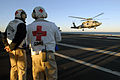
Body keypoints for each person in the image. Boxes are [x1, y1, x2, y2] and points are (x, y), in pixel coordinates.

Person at [26, 6, 61, 80]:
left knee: (37, 77)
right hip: (49, 54)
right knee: (52, 77)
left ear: (34, 15)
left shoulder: (28, 27)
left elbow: (26, 42)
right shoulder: (52, 25)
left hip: (36, 55)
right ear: (45, 14)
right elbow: (58, 39)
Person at [3, 9, 27, 80]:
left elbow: (4, 35)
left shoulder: (10, 23)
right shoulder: (21, 24)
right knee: (22, 69)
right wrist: (11, 47)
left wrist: (6, 46)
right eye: (24, 15)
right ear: (21, 15)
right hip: (19, 50)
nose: (25, 17)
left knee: (13, 68)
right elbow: (20, 37)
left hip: (11, 50)